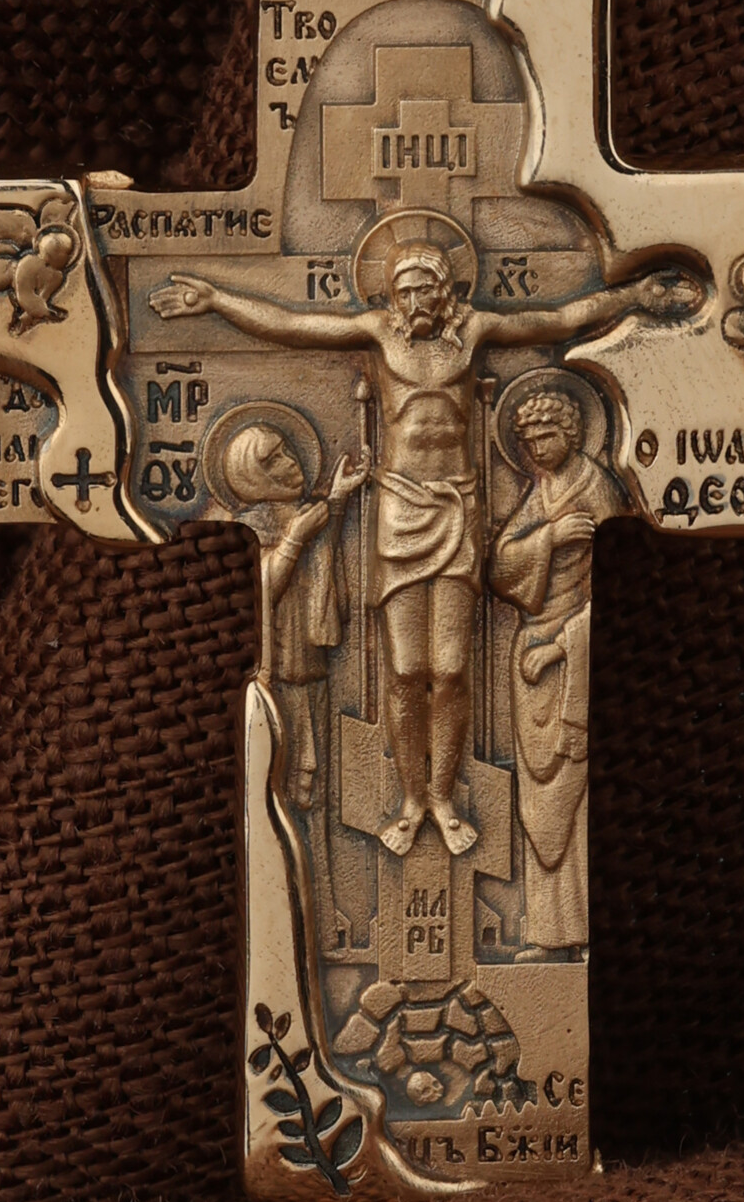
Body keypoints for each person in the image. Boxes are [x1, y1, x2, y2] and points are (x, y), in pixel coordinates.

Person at [151, 244, 699, 858]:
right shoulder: (378, 334)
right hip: (400, 510)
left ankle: (444, 797)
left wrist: (632, 296)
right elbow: (296, 324)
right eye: (402, 290)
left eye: (423, 289)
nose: (413, 301)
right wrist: (218, 300)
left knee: (452, 668)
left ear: (445, 291)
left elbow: (557, 319)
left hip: (459, 508)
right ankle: (413, 801)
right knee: (408, 671)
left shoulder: (475, 331)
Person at [489, 387, 621, 951]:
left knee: (581, 796)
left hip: (574, 657)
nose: (537, 448)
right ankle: (547, 931)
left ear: (572, 432)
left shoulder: (597, 488)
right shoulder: (540, 493)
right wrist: (548, 537)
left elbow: (621, 579)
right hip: (532, 663)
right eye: (528, 441)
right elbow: (500, 568)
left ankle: (586, 932)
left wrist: (564, 647)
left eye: (547, 435)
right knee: (538, 802)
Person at [222, 425, 365, 811]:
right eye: (274, 460)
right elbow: (258, 591)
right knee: (280, 774)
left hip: (311, 666)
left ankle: (316, 849)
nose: (291, 462)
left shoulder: (304, 515)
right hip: (274, 673)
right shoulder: (247, 527)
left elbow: (323, 556)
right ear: (252, 475)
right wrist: (295, 538)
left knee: (317, 787)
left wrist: (336, 501)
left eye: (287, 450)